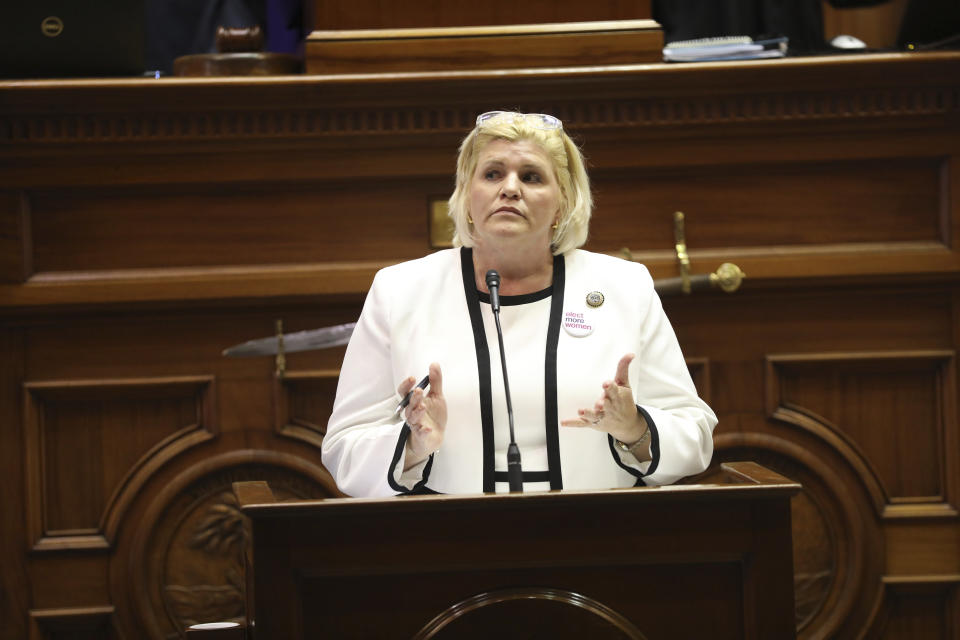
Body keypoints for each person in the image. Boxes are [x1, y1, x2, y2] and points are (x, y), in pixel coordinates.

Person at [322, 111, 717, 496]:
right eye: (492, 173)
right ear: (467, 195)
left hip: (598, 533)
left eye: (531, 177)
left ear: (562, 203)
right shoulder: (400, 291)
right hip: (446, 538)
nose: (510, 188)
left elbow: (694, 434)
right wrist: (413, 446)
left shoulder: (625, 287)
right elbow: (344, 449)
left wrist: (634, 428)